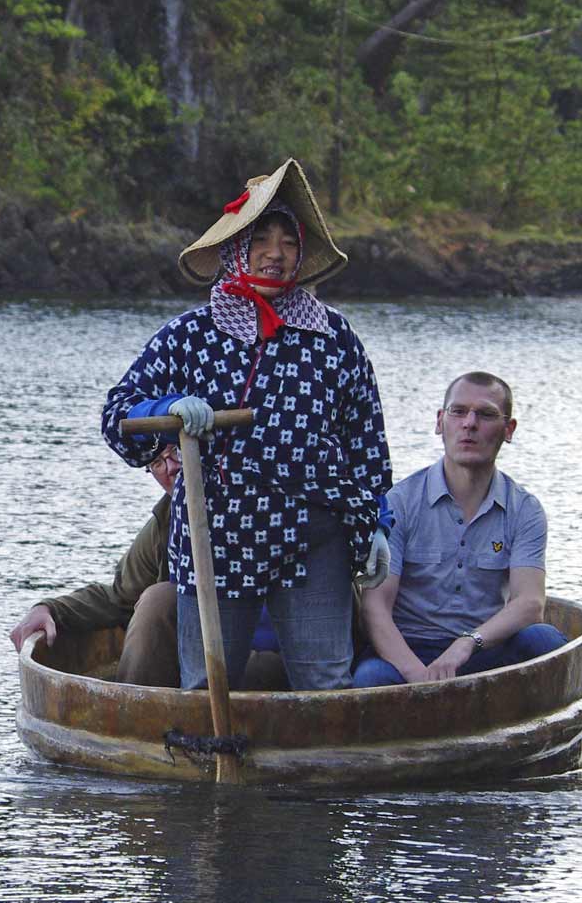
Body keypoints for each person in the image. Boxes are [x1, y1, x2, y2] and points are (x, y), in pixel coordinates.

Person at [101, 159, 391, 693]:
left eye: (288, 241)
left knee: (326, 685)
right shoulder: (190, 334)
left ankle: (326, 775)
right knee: (206, 688)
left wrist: (378, 522)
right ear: (237, 245)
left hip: (315, 531)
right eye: (263, 239)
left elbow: (365, 440)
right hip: (219, 532)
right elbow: (119, 415)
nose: (276, 255)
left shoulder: (334, 336)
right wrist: (169, 408)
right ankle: (205, 772)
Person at [8, 443, 283, 689]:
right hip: (194, 666)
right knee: (158, 598)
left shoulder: (267, 505)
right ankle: (135, 721)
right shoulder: (166, 522)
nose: (171, 467)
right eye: (157, 462)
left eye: (177, 451)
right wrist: (49, 608)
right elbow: (118, 597)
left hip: (270, 666)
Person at [352, 373, 567, 686]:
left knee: (543, 641)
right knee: (371, 679)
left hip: (482, 649)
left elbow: (530, 603)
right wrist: (419, 676)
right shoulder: (400, 502)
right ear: (440, 421)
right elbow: (375, 607)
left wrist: (467, 643)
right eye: (458, 411)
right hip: (407, 651)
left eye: (486, 414)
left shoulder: (525, 509)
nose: (470, 423)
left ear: (509, 430)